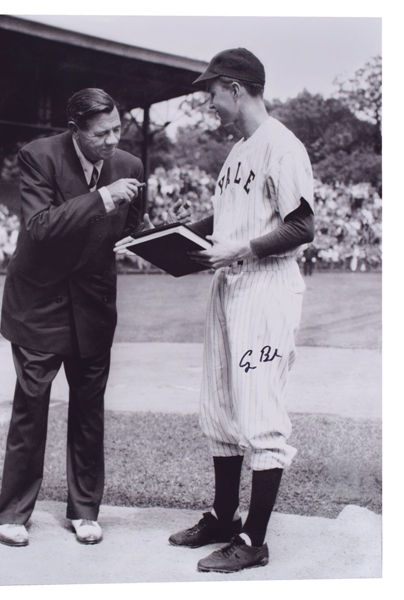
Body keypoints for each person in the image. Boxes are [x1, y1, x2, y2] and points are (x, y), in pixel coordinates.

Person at [168, 48, 315, 573]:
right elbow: (229, 216)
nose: (207, 100)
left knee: (259, 412)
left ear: (235, 87)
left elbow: (302, 226)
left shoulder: (282, 145)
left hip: (266, 288)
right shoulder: (237, 153)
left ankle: (253, 540)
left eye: (211, 90)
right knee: (220, 405)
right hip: (230, 285)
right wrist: (173, 234)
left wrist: (241, 249)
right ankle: (224, 516)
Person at [0, 88, 147, 547]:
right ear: (75, 130)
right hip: (40, 305)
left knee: (89, 410)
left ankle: (84, 510)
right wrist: (102, 197)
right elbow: (39, 227)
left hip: (95, 305)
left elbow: (133, 229)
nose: (112, 140)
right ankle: (14, 513)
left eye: (117, 129)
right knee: (31, 407)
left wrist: (162, 232)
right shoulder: (38, 155)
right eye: (101, 133)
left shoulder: (130, 167)